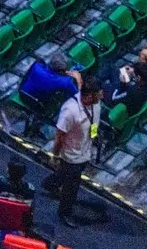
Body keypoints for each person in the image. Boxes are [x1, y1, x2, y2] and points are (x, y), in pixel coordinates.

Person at [47, 75, 102, 226]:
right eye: (99, 93)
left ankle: (50, 183)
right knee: (72, 186)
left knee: (64, 174)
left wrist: (94, 135)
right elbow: (60, 135)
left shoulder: (95, 104)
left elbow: (94, 121)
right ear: (89, 95)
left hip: (85, 150)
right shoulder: (70, 111)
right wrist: (55, 156)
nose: (102, 95)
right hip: (71, 155)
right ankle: (64, 212)